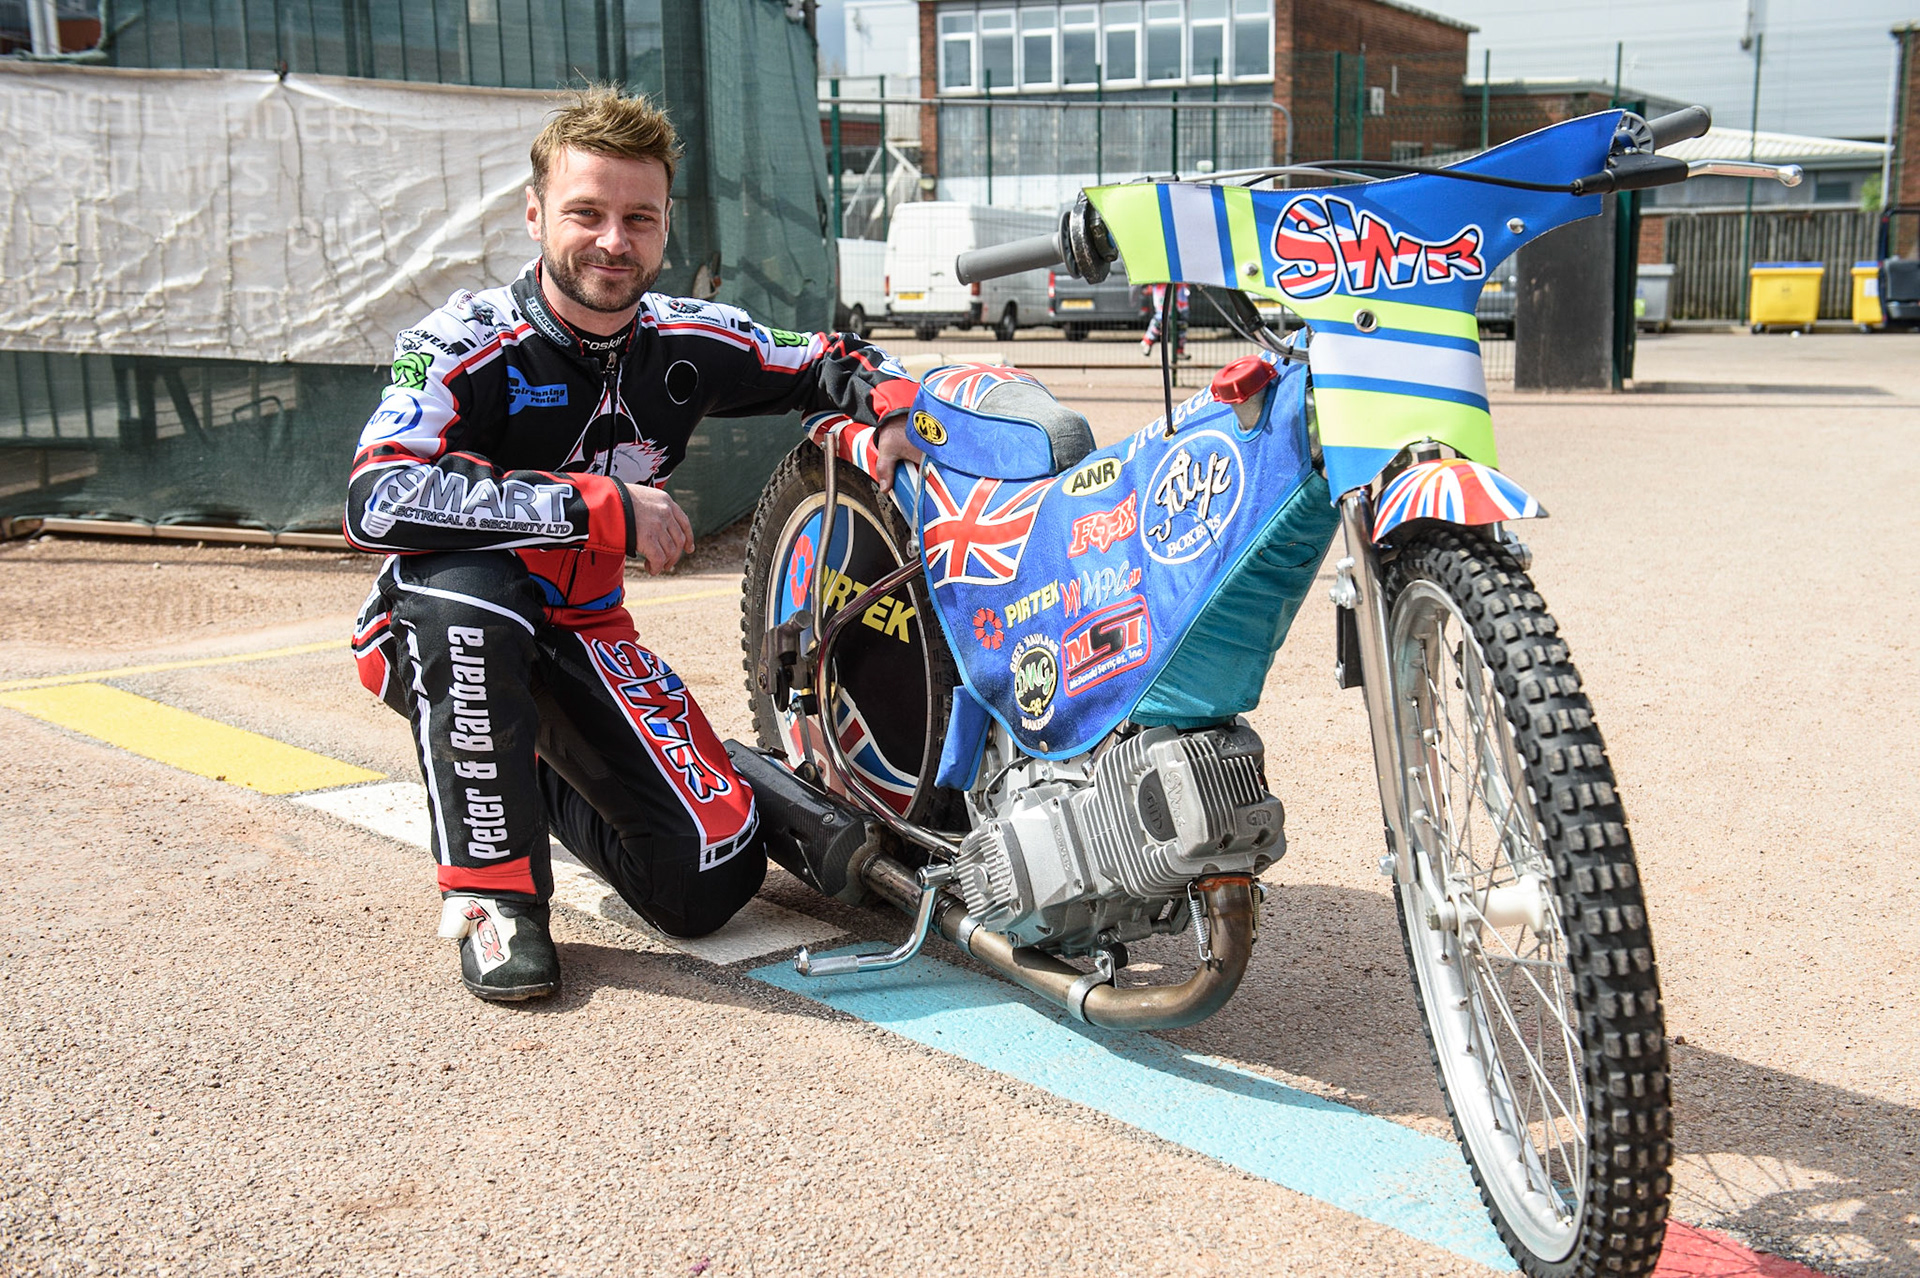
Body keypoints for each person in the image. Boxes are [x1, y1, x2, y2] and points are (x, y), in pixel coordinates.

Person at [343, 87, 921, 1002]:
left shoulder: (688, 337)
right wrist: (599, 506)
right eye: (586, 213)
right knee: (468, 593)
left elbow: (828, 359)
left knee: (708, 883)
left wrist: (891, 410)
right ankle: (498, 900)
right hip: (446, 624)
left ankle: (530, 749)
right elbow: (377, 499)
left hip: (585, 628)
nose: (613, 241)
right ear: (535, 214)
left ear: (662, 228)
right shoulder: (460, 339)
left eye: (637, 218)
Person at [1140, 282, 1189, 359]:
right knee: (1160, 319)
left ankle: (1179, 350)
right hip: (1163, 290)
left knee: (1181, 323)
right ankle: (1147, 342)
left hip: (1179, 292)